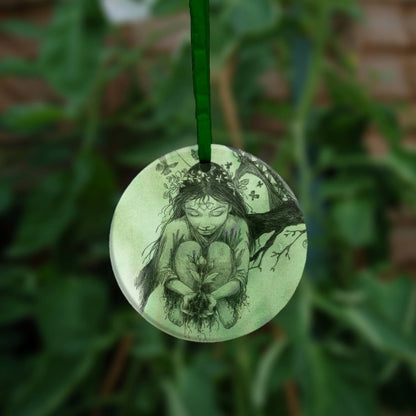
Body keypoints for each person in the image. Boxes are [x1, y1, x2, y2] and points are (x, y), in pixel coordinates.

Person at [136, 163, 253, 329]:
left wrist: (216, 295)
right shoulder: (176, 228)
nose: (205, 223)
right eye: (194, 213)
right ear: (183, 207)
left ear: (230, 206)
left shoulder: (237, 226)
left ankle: (220, 302)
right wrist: (186, 293)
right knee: (188, 248)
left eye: (217, 213)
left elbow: (241, 274)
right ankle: (183, 303)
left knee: (220, 249)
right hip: (183, 288)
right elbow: (162, 269)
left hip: (222, 288)